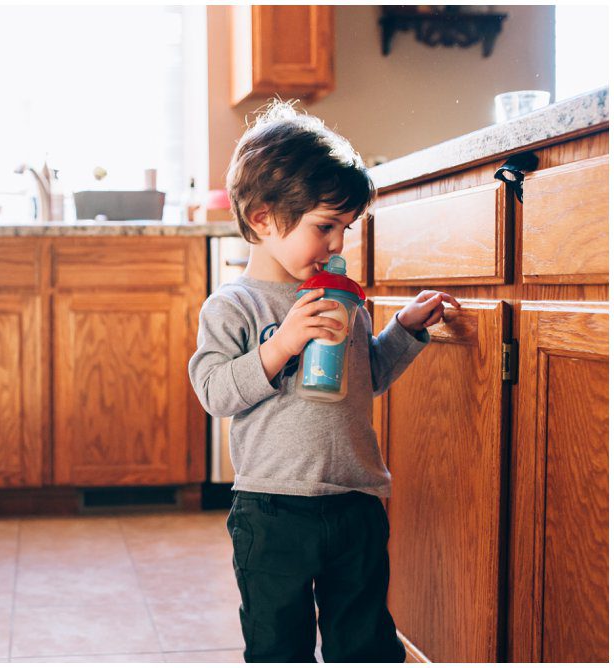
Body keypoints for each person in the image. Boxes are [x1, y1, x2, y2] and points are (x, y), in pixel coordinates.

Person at [188, 100, 460, 663]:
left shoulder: (343, 302)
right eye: (325, 226)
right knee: (278, 643)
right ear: (263, 218)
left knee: (364, 641)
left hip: (356, 500)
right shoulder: (233, 305)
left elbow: (366, 378)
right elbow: (214, 391)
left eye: (346, 228)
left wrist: (403, 330)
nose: (338, 244)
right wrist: (281, 344)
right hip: (273, 510)